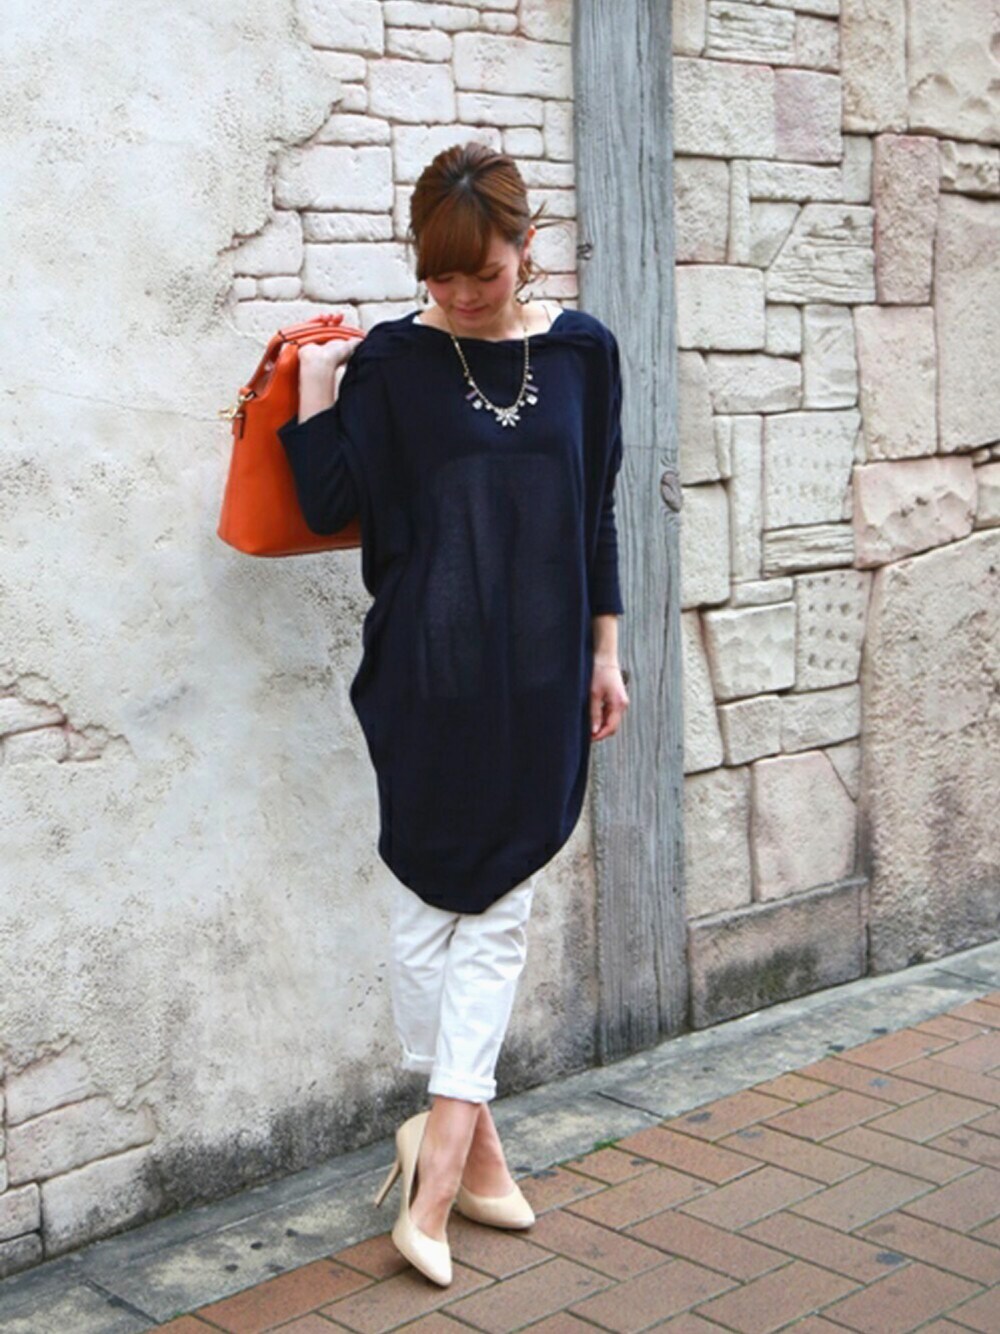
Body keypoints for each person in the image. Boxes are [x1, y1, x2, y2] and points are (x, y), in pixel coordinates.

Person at [276, 142, 629, 1287]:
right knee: (423, 912)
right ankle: (468, 1145)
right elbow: (328, 501)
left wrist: (606, 653)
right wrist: (318, 386)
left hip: (539, 681)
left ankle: (431, 1183)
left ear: (527, 246)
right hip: (426, 676)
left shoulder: (581, 355)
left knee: (499, 912)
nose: (461, 293)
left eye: (483, 270)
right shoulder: (395, 362)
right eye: (439, 274)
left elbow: (595, 511)